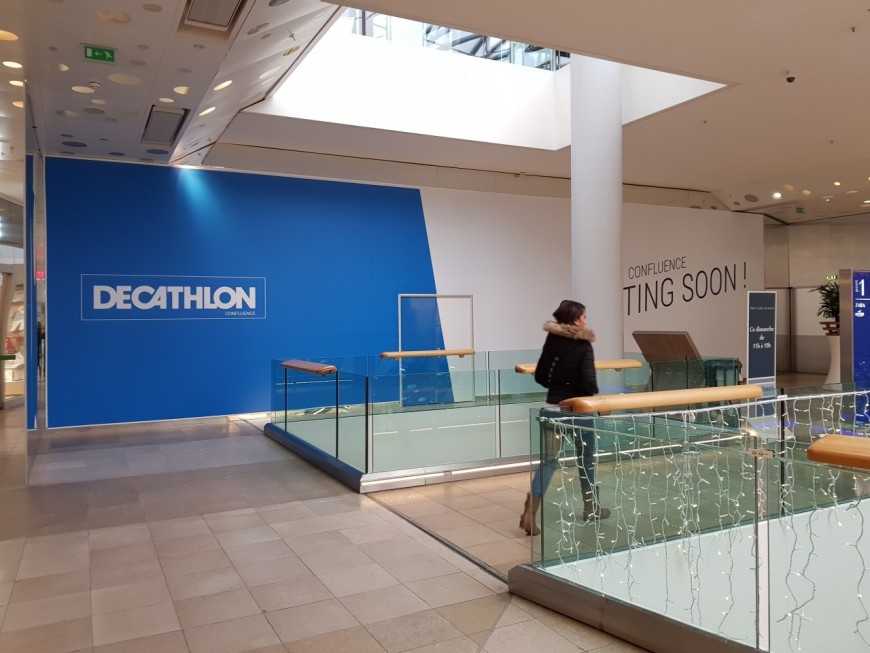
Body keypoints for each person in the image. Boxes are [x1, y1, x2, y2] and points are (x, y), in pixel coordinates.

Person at [519, 299, 611, 536]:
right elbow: (589, 383)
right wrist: (593, 393)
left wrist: (559, 386)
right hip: (578, 409)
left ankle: (531, 510)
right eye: (583, 316)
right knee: (586, 459)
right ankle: (590, 507)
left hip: (553, 408)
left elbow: (541, 376)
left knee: (549, 461)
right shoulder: (583, 345)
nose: (586, 321)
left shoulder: (552, 341)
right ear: (574, 319)